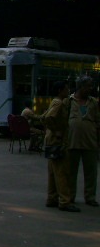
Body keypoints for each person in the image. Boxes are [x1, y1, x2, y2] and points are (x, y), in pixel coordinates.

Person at [44, 81, 79, 212]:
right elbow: (49, 118)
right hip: (58, 141)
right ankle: (64, 201)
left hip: (51, 141)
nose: (68, 91)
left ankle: (52, 197)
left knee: (53, 171)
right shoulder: (59, 103)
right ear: (60, 90)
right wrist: (57, 131)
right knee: (62, 172)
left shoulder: (54, 101)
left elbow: (44, 117)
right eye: (66, 89)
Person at [67, 75, 100, 207]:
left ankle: (90, 197)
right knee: (70, 172)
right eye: (88, 86)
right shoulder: (69, 101)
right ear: (80, 87)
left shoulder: (93, 102)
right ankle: (69, 196)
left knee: (91, 172)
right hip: (72, 141)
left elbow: (98, 122)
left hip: (90, 142)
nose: (90, 89)